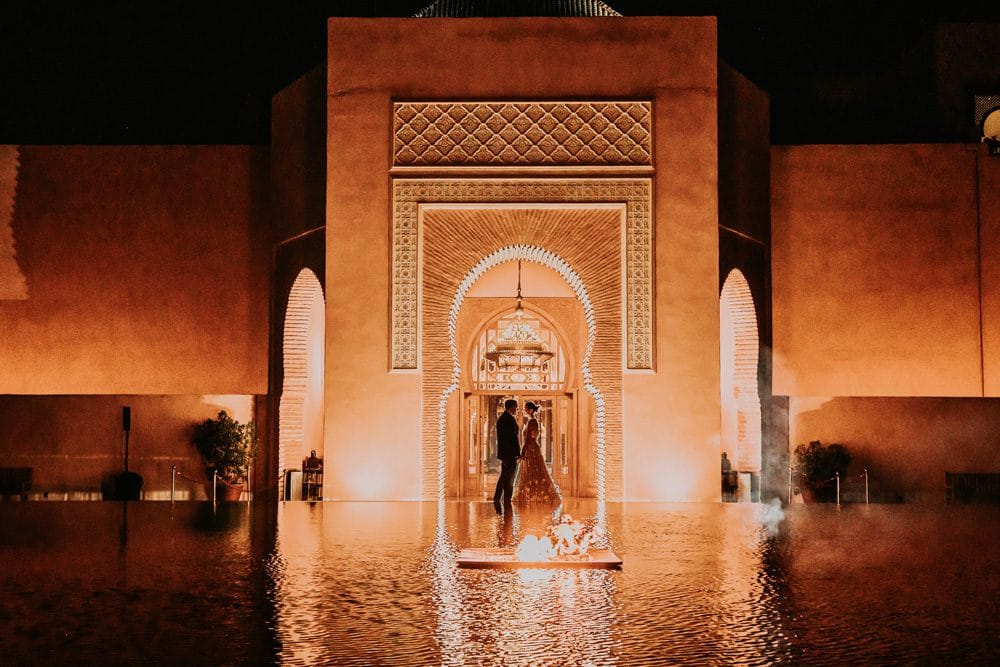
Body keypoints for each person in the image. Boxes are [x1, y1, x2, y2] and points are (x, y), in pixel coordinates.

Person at [513, 402, 561, 505]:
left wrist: (523, 452)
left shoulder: (532, 421)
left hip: (531, 449)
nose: (524, 410)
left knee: (533, 472)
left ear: (531, 410)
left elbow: (529, 439)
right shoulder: (531, 421)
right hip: (532, 448)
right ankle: (532, 494)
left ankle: (534, 495)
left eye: (526, 408)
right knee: (532, 472)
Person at [493, 398, 521, 514]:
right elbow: (512, 439)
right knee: (509, 478)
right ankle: (507, 499)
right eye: (516, 407)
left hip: (506, 454)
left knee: (504, 476)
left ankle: (498, 498)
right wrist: (517, 453)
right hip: (509, 455)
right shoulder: (507, 419)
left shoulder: (504, 418)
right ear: (511, 407)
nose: (517, 409)